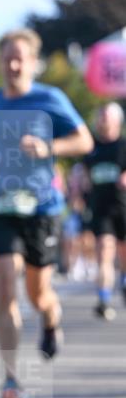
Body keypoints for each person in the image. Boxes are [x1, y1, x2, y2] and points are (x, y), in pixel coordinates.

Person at [0, 29, 93, 398]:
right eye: (7, 58)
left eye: (20, 59)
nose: (13, 65)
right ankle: (11, 380)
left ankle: (50, 317)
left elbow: (84, 141)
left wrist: (48, 147)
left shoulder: (50, 98)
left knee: (37, 293)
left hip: (41, 208)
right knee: (4, 285)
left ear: (32, 63)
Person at [83, 102, 126, 320]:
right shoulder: (92, 149)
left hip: (123, 207)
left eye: (107, 117)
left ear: (117, 121)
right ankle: (103, 299)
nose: (103, 121)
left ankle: (124, 282)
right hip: (101, 209)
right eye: (101, 117)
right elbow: (85, 177)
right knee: (104, 251)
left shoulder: (123, 146)